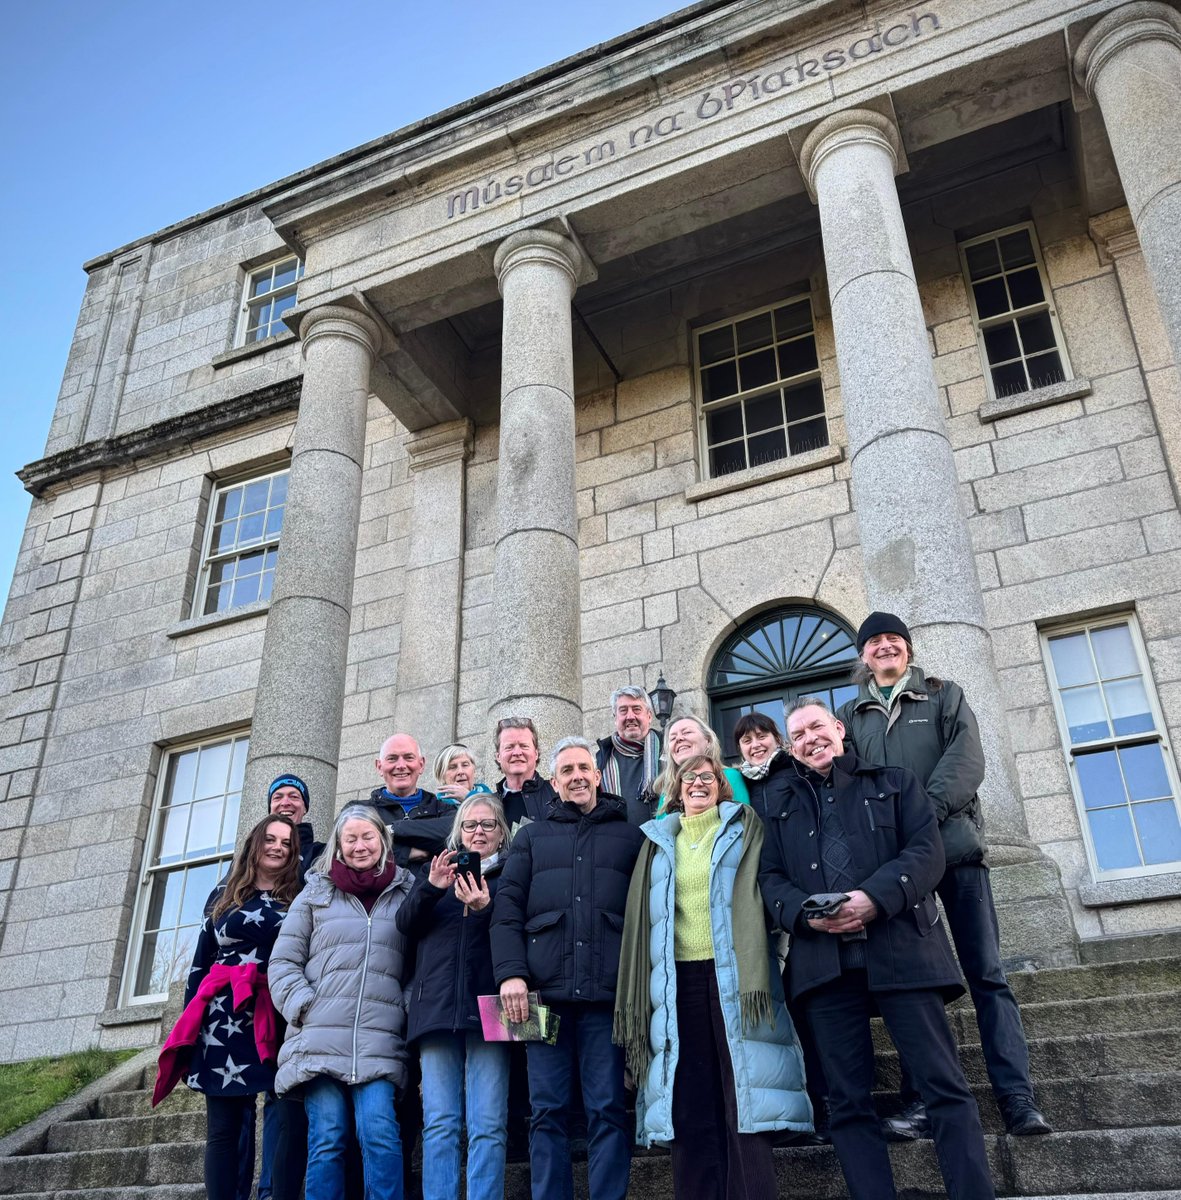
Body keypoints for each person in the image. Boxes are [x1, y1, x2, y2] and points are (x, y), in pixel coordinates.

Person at [759, 700, 995, 1200]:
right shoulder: (777, 806)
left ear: (838, 728)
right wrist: (804, 913)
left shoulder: (896, 782)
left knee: (944, 1087)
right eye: (797, 734)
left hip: (903, 952)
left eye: (816, 727)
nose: (809, 739)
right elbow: (770, 879)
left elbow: (926, 853)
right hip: (824, 966)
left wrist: (873, 899)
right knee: (847, 1103)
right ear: (791, 748)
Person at [838, 612, 1051, 1139]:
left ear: (907, 649)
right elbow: (850, 783)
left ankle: (1016, 1097)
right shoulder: (850, 715)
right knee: (918, 984)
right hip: (901, 869)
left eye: (894, 639)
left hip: (955, 852)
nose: (885, 647)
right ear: (863, 655)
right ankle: (922, 1101)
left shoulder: (943, 696)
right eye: (875, 642)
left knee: (987, 975)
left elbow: (966, 761)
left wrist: (920, 815)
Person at [615, 754, 812, 1199]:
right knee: (689, 1103)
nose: (698, 783)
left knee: (742, 1097)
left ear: (721, 785)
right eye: (689, 777)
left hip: (736, 978)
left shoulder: (745, 827)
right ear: (677, 788)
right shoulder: (657, 841)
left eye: (708, 776)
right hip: (677, 982)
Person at [492, 736, 644, 1200]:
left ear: (597, 775)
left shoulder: (630, 835)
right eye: (566, 771)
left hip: (606, 998)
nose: (576, 777)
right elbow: (506, 913)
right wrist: (511, 974)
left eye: (583, 768)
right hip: (538, 999)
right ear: (554, 783)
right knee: (546, 1112)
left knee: (608, 1109)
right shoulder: (531, 837)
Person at [269, 805, 413, 1200]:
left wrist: (403, 1007)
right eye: (351, 839)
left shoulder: (406, 891)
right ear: (339, 845)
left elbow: (422, 965)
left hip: (380, 1039)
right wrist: (304, 1004)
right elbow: (282, 961)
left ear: (383, 840)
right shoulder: (315, 893)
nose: (360, 845)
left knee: (380, 1134)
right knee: (327, 1138)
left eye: (368, 837)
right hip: (318, 1037)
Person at [153, 815, 300, 1200]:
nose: (278, 847)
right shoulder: (224, 896)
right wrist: (189, 1032)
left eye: (286, 842)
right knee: (223, 1129)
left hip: (277, 1014)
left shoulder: (300, 898)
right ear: (255, 843)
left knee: (286, 1118)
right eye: (271, 839)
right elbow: (200, 965)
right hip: (222, 1021)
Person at [396, 794, 512, 1200]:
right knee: (440, 1124)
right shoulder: (435, 874)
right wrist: (431, 888)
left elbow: (519, 936)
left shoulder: (514, 873)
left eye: (488, 825)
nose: (478, 832)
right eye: (470, 825)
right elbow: (404, 926)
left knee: (489, 1124)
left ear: (502, 833)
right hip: (437, 1007)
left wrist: (485, 908)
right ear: (458, 833)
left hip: (497, 1007)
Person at [733, 712, 830, 1142]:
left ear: (778, 740)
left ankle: (825, 1102)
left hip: (801, 900)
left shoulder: (798, 772)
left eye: (762, 736)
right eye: (746, 740)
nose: (755, 745)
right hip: (760, 907)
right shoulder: (739, 785)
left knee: (809, 1007)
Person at [369, 733, 456, 868]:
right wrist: (405, 853)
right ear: (379, 766)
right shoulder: (359, 810)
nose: (401, 765)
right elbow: (350, 850)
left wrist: (392, 830)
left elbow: (456, 835)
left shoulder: (443, 808)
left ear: (421, 765)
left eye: (409, 758)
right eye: (392, 759)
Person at [651, 714, 749, 815]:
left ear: (708, 740)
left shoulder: (730, 776)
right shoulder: (668, 790)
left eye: (687, 732)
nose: (679, 738)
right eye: (672, 738)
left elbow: (742, 820)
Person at [596, 685, 662, 823]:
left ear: (649, 716)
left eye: (637, 709)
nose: (630, 716)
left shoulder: (668, 749)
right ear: (615, 718)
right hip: (620, 836)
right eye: (623, 710)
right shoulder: (600, 761)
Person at [493, 716, 558, 831]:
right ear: (498, 756)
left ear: (536, 753)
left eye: (524, 746)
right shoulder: (489, 804)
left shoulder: (558, 794)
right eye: (509, 747)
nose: (517, 752)